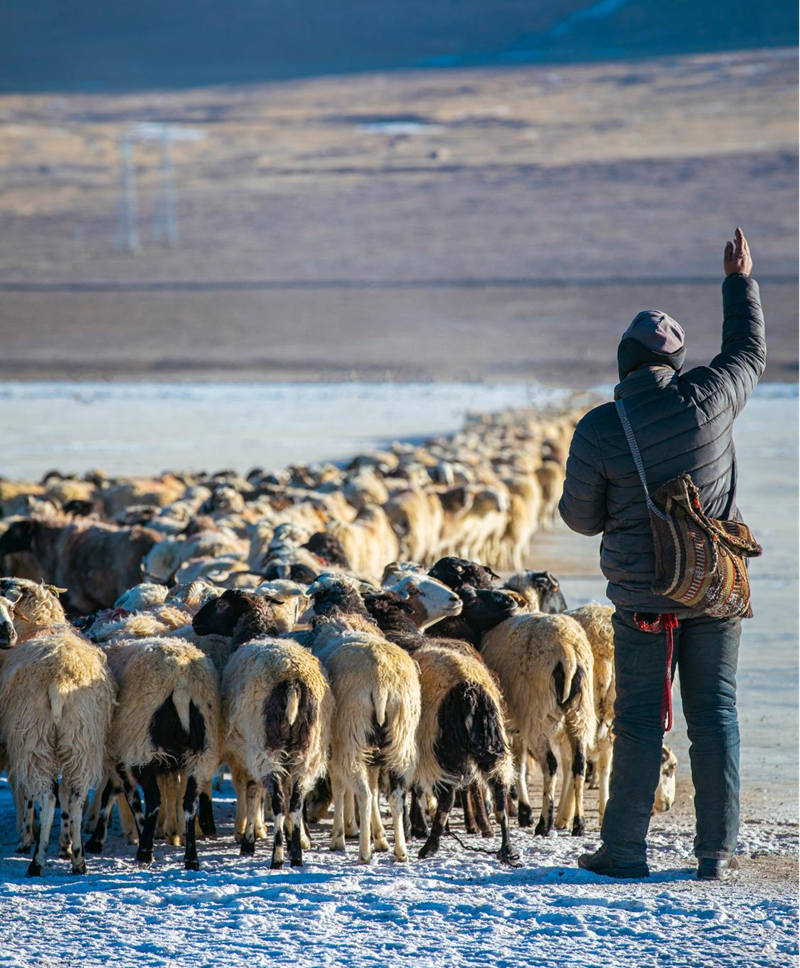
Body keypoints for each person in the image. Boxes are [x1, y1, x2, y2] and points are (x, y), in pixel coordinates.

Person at [558, 227, 766, 880]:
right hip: (713, 589)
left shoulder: (599, 427)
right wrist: (739, 280)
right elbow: (749, 351)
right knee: (717, 714)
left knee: (640, 723)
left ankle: (624, 850)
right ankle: (717, 852)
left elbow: (579, 519)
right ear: (674, 363)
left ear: (624, 360)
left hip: (645, 601)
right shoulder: (712, 397)